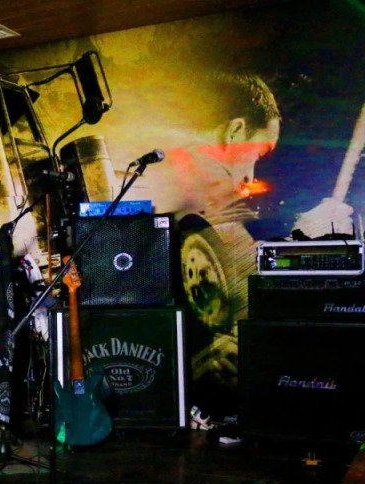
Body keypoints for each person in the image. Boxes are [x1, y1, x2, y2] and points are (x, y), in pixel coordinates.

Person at [147, 72, 353, 412]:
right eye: (259, 153)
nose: (251, 176)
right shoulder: (195, 197)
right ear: (235, 131)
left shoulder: (184, 202)